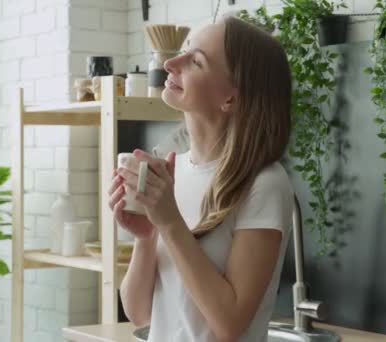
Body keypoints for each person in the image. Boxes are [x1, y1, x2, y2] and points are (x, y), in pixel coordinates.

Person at [107, 15, 294, 342]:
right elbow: (140, 314)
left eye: (195, 62)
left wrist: (169, 222)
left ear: (231, 98)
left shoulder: (264, 184)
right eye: (183, 51)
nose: (170, 63)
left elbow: (229, 325)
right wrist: (146, 236)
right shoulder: (170, 173)